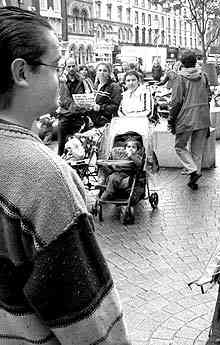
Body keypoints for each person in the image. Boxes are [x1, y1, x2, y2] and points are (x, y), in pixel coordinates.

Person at [0, 6, 131, 344]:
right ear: (21, 72)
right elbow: (90, 324)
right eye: (57, 65)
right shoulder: (42, 177)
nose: (63, 76)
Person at [168, 50, 211, 190]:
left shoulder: (179, 78)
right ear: (195, 61)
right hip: (203, 117)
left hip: (186, 118)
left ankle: (192, 169)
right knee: (197, 150)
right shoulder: (203, 76)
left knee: (179, 146)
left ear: (181, 63)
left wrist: (171, 120)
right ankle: (195, 176)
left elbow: (176, 101)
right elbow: (208, 97)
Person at [56, 57, 90, 155]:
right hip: (65, 116)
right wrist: (75, 107)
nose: (71, 68)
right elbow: (63, 100)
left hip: (78, 117)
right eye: (69, 66)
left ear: (76, 66)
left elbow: (84, 96)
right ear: (66, 67)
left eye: (73, 66)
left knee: (78, 144)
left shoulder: (81, 80)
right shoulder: (62, 81)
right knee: (61, 144)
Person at [90, 62, 122, 127]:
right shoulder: (95, 86)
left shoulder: (114, 87)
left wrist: (100, 107)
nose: (102, 73)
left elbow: (116, 106)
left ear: (109, 73)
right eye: (100, 70)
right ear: (96, 72)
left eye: (105, 71)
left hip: (107, 121)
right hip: (93, 119)